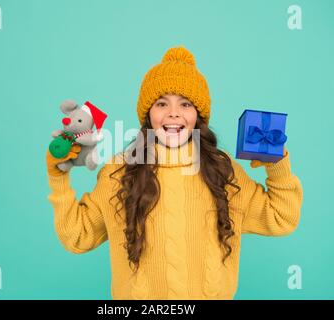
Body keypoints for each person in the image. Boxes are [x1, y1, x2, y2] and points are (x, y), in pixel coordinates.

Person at [45, 46, 303, 300]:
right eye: (161, 103)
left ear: (198, 116)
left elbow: (282, 217)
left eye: (186, 104)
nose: (173, 113)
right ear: (148, 115)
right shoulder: (118, 172)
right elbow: (77, 237)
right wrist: (59, 178)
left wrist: (275, 163)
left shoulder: (223, 174)